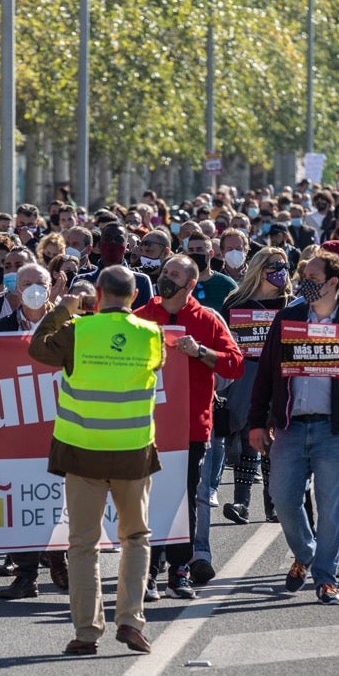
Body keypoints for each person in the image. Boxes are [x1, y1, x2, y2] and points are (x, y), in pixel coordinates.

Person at [28, 266, 162, 656]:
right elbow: (158, 366)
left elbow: (37, 349)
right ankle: (131, 621)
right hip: (133, 453)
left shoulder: (77, 331)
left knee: (83, 545)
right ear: (134, 296)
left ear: (97, 294)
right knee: (135, 538)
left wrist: (63, 310)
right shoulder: (151, 334)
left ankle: (87, 633)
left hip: (82, 451)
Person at [246, 250, 339, 606]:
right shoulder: (288, 317)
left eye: (312, 279)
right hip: (291, 426)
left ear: (334, 283)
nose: (303, 284)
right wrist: (257, 421)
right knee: (282, 497)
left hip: (336, 430)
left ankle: (326, 578)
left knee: (332, 506)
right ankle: (307, 551)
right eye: (303, 277)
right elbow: (266, 374)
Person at [135, 254, 244, 597]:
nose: (165, 277)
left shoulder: (207, 319)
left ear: (190, 284)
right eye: (165, 271)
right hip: (145, 427)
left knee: (183, 500)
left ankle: (179, 571)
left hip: (190, 428)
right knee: (148, 499)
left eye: (174, 274)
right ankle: (147, 572)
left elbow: (234, 364)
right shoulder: (140, 317)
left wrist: (200, 352)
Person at [0, 264, 71, 600]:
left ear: (51, 287)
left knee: (57, 499)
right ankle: (26, 576)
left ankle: (58, 558)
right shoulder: (0, 329)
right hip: (17, 431)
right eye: (26, 283)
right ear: (16, 289)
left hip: (61, 429)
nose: (33, 289)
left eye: (40, 283)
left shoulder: (69, 325)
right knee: (21, 502)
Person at [204, 248, 290, 525]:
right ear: (259, 269)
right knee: (249, 433)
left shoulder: (291, 303)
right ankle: (242, 502)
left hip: (281, 375)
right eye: (275, 266)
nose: (281, 271)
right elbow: (222, 342)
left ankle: (274, 504)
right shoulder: (236, 302)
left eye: (284, 266)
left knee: (274, 436)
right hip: (246, 375)